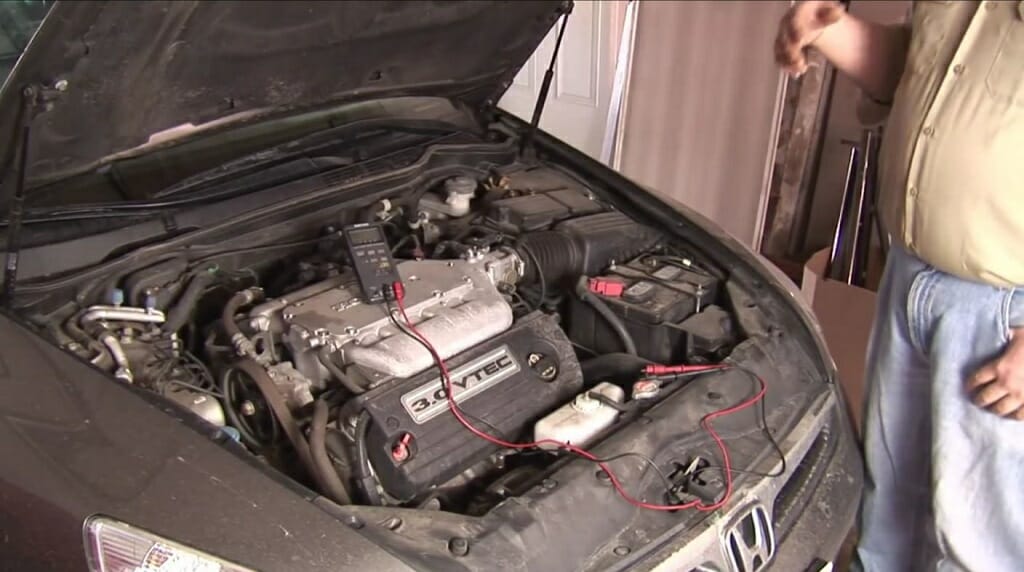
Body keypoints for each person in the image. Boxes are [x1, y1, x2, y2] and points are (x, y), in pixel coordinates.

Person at [775, 1, 1024, 570]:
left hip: (1005, 314)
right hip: (911, 279)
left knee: (979, 546)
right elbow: (922, 69)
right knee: (887, 519)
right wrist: (833, 32)